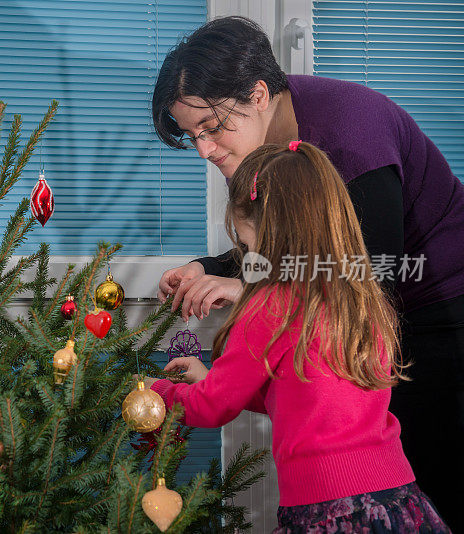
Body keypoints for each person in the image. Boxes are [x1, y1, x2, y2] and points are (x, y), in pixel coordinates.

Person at [152, 17, 464, 530]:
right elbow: (297, 246)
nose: (205, 149)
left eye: (211, 127)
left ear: (256, 95)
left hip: (437, 307)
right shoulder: (280, 157)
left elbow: (367, 278)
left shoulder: (350, 141)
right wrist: (210, 268)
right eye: (193, 136)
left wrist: (255, 289)